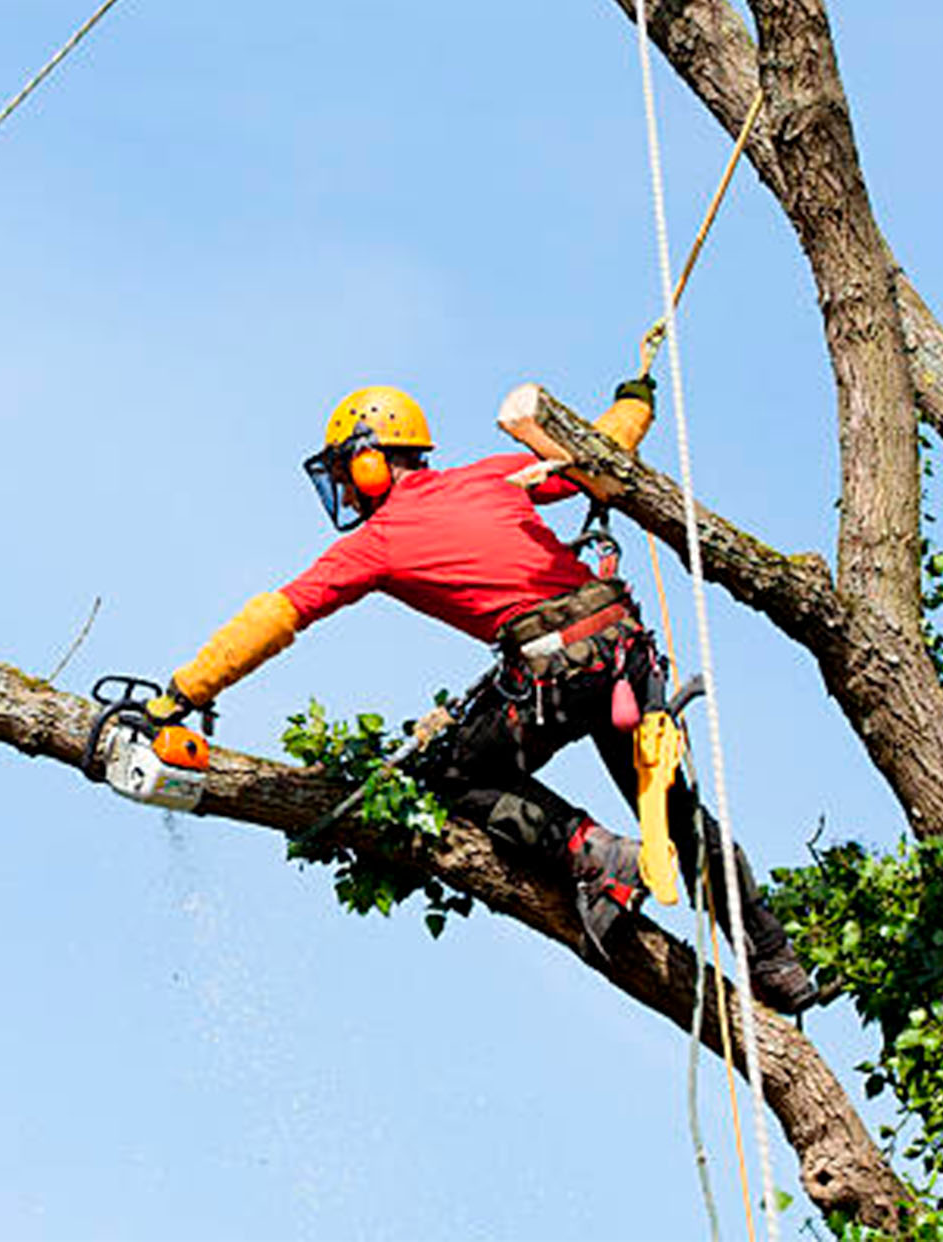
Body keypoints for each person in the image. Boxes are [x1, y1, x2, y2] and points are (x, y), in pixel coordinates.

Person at [149, 382, 818, 1014]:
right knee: (674, 815)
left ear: (371, 462)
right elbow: (596, 450)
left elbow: (277, 615)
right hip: (623, 653)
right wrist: (632, 403)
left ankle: (593, 852)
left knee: (455, 775)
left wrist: (181, 692)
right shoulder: (492, 475)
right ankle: (777, 963)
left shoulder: (376, 544)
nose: (348, 496)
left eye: (348, 473)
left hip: (556, 672)